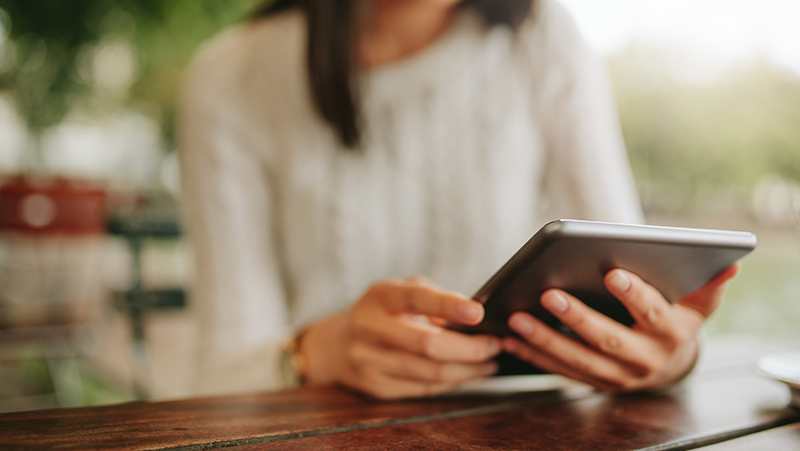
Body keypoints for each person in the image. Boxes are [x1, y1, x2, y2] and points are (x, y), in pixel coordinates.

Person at [178, 0, 739, 399]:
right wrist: (316, 353)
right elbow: (221, 378)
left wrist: (670, 358)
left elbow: (628, 288)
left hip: (526, 428)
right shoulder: (228, 78)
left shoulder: (543, 34)